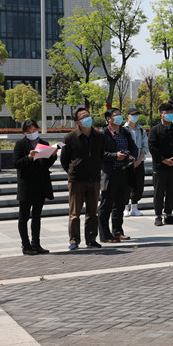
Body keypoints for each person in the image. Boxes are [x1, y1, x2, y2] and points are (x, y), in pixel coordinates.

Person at [61, 107, 119, 250]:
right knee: (74, 213)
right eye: (83, 117)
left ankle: (91, 239)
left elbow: (101, 155)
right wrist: (73, 171)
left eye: (88, 115)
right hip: (76, 180)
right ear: (77, 122)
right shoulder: (70, 137)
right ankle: (74, 240)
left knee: (92, 212)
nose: (87, 118)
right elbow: (64, 160)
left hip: (94, 179)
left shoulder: (99, 136)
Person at [13, 119, 57, 255]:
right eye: (29, 131)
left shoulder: (44, 144)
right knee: (24, 217)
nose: (32, 132)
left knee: (37, 216)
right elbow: (16, 163)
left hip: (40, 185)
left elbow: (46, 164)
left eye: (34, 130)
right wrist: (29, 157)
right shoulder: (20, 144)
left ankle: (36, 244)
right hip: (26, 185)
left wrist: (53, 156)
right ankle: (26, 245)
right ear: (24, 132)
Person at [98, 108, 138, 243]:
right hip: (110, 172)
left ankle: (118, 231)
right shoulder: (103, 133)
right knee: (106, 204)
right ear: (108, 119)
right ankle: (104, 235)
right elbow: (100, 153)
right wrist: (115, 156)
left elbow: (134, 148)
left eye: (120, 115)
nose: (119, 117)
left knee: (120, 204)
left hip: (124, 171)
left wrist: (131, 155)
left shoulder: (125, 132)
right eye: (116, 115)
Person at [149, 103, 173, 226]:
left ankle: (168, 215)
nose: (169, 115)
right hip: (160, 166)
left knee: (172, 191)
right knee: (159, 191)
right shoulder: (155, 130)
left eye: (171, 113)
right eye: (166, 113)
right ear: (161, 115)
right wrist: (163, 160)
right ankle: (158, 216)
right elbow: (152, 147)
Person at [122, 108, 148, 217]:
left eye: (137, 114)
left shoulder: (141, 130)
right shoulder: (123, 129)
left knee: (138, 185)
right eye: (133, 114)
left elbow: (145, 146)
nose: (135, 117)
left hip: (139, 161)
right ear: (128, 115)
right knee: (126, 185)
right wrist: (130, 159)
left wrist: (139, 160)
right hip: (127, 162)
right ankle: (125, 207)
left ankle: (134, 207)